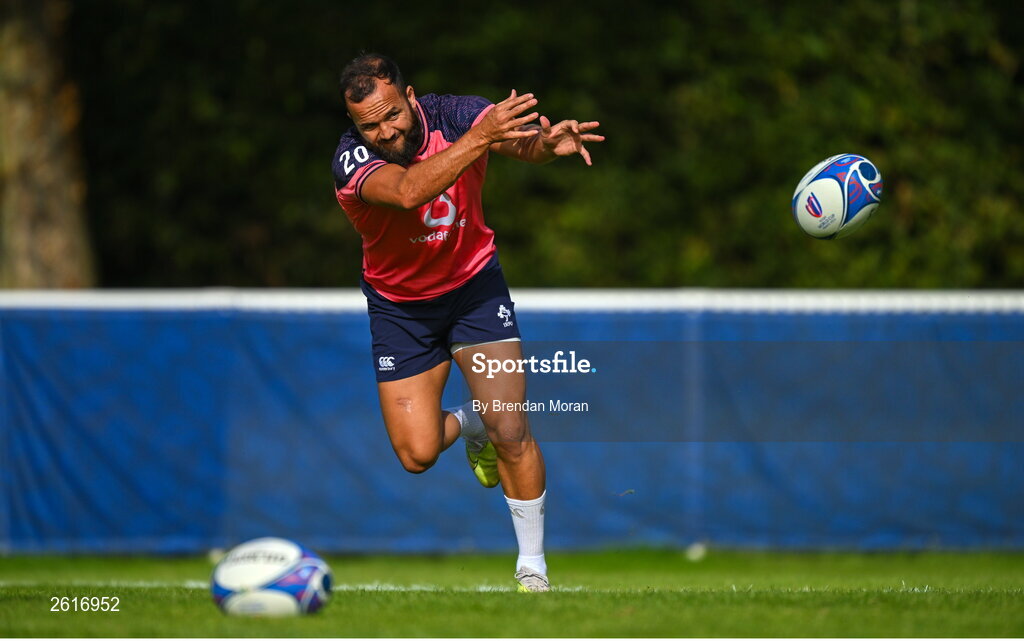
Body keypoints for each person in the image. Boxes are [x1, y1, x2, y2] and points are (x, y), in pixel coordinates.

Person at [331, 53, 603, 592]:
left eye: (392, 115)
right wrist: (482, 138)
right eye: (370, 124)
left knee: (511, 428)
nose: (384, 131)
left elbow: (516, 144)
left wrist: (546, 147)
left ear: (412, 99)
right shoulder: (350, 159)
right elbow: (410, 193)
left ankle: (533, 570)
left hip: (474, 290)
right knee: (418, 454)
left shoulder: (455, 115)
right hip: (400, 309)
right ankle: (469, 420)